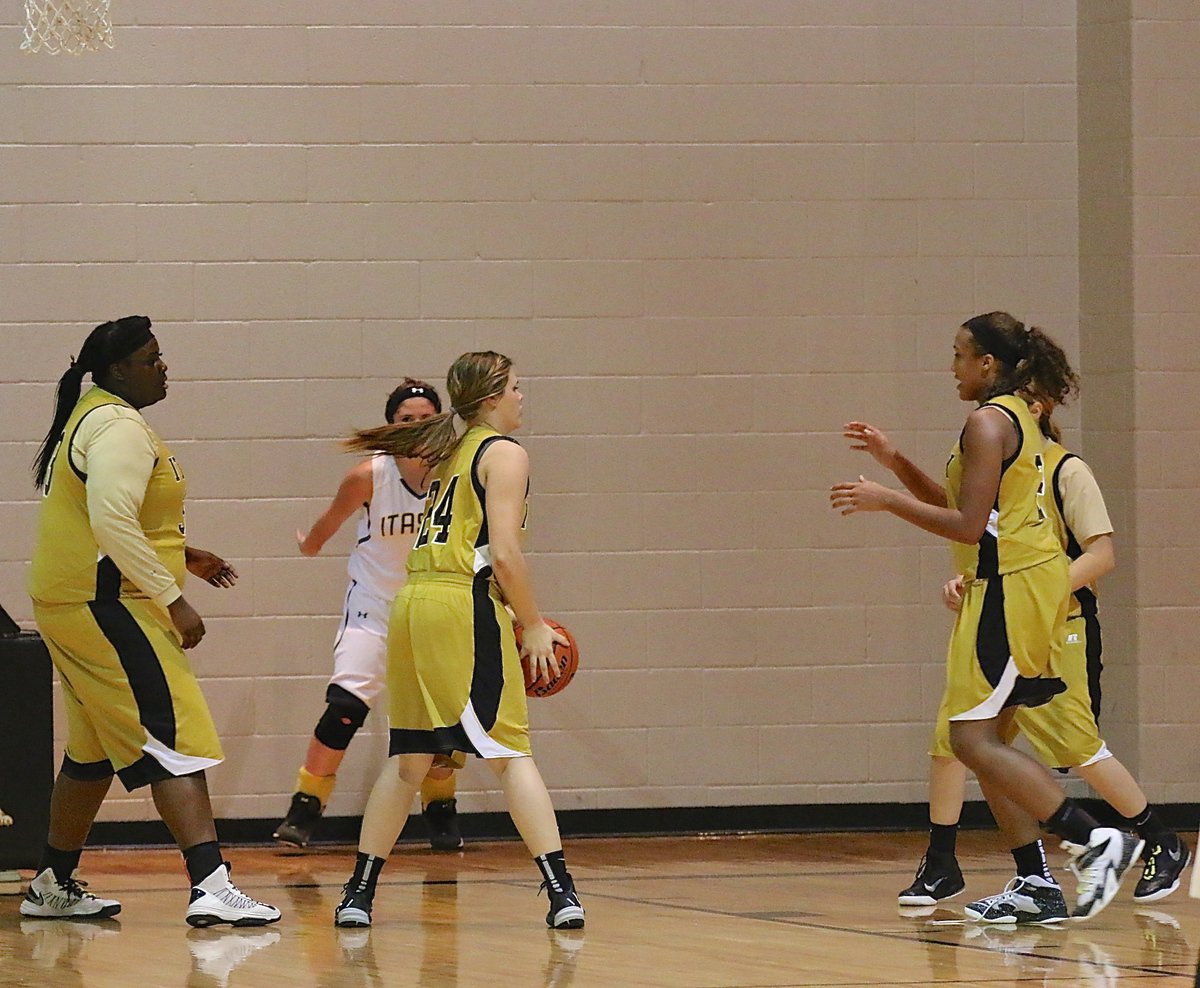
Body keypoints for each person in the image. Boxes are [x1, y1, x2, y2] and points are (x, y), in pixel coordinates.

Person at [830, 311, 1143, 922]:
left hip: (1008, 592)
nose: (952, 367)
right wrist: (896, 464)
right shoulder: (1014, 417)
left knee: (970, 738)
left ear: (987, 364)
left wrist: (883, 501)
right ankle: (1036, 880)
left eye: (959, 355)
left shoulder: (985, 422)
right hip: (1016, 588)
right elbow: (967, 507)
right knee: (981, 740)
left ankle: (1095, 841)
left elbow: (969, 527)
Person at [23, 316, 280, 927]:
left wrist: (183, 556)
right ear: (118, 370)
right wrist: (173, 596)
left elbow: (110, 518)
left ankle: (52, 884)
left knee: (91, 752)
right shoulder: (117, 426)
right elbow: (112, 523)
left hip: (77, 600)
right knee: (174, 736)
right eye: (152, 358)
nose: (164, 368)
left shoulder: (96, 416)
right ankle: (212, 885)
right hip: (106, 604)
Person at [331, 351, 585, 930]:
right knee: (509, 752)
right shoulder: (504, 454)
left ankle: (358, 895)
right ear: (492, 397)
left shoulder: (451, 452)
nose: (523, 397)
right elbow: (503, 553)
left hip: (412, 603)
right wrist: (535, 623)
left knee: (410, 761)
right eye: (517, 388)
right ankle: (561, 892)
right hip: (460, 605)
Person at [273, 379, 467, 851]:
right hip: (374, 605)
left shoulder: (456, 474)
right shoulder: (370, 475)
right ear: (391, 426)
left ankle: (440, 807)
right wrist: (309, 544)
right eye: (406, 420)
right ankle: (306, 804)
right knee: (344, 707)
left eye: (426, 418)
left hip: (434, 606)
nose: (417, 427)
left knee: (441, 718)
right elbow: (329, 523)